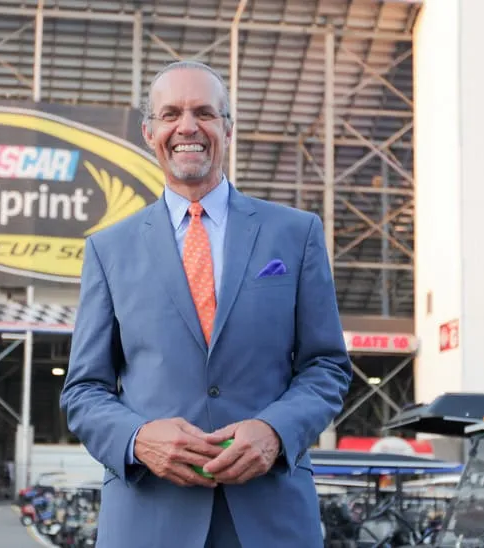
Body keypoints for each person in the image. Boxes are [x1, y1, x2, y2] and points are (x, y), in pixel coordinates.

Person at [59, 60, 352, 548]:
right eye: (171, 113)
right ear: (150, 132)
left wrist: (275, 432)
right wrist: (138, 440)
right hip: (149, 520)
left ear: (228, 128)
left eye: (204, 113)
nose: (187, 127)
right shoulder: (108, 250)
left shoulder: (296, 234)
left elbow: (327, 366)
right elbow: (84, 390)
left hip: (271, 519)